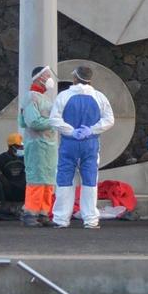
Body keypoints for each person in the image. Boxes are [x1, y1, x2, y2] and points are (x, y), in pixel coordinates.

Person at [51, 67, 115, 230]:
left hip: (68, 143)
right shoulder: (99, 97)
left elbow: (54, 120)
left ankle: (61, 219)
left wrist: (71, 131)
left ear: (74, 78)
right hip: (90, 144)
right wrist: (92, 130)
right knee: (90, 181)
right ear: (90, 79)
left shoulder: (63, 96)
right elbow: (109, 120)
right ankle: (91, 219)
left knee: (64, 180)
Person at [19, 67, 59, 226]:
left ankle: (43, 212)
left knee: (48, 180)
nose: (50, 79)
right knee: (36, 179)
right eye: (47, 76)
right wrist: (54, 122)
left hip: (48, 146)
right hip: (37, 144)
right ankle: (30, 212)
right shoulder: (30, 97)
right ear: (38, 78)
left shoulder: (44, 98)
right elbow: (32, 122)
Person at [0, 133, 27, 219]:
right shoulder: (1, 158)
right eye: (18, 147)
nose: (21, 149)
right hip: (8, 190)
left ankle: (26, 205)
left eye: (22, 147)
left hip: (22, 190)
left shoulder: (26, 158)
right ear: (11, 146)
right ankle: (0, 204)